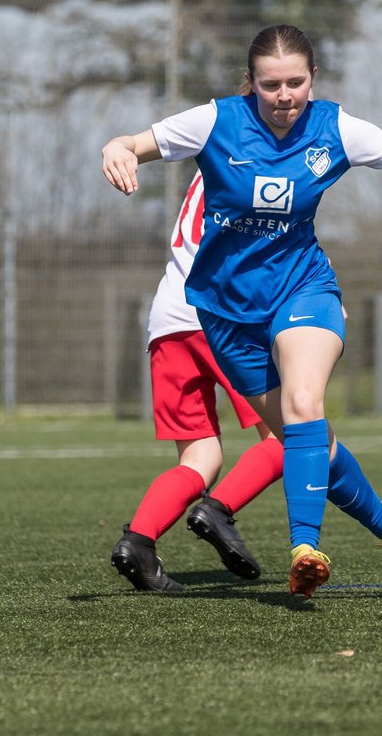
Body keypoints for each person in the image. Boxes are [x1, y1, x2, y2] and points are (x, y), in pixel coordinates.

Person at [103, 24, 382, 598]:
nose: (285, 95)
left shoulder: (335, 128)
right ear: (250, 84)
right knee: (312, 444)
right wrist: (116, 149)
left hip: (303, 289)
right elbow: (131, 142)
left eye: (296, 82)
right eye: (271, 85)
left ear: (313, 79)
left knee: (303, 402)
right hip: (224, 312)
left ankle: (304, 546)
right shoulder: (215, 121)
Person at [112, 169, 288, 593]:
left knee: (200, 459)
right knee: (290, 436)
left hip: (169, 319)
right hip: (223, 315)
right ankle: (218, 510)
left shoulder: (214, 149)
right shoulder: (267, 156)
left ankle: (138, 541)